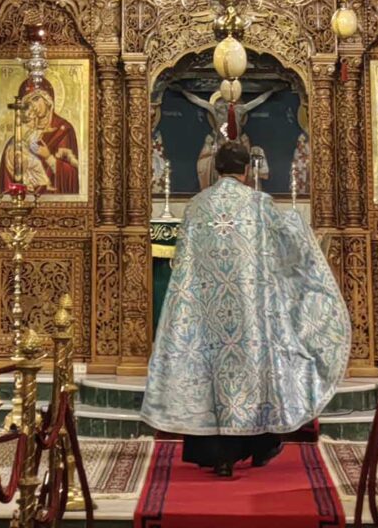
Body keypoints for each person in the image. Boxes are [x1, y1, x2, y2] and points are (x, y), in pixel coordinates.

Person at [143, 139, 350, 477]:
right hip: (250, 314)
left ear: (216, 168)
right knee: (250, 374)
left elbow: (183, 260)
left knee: (210, 374)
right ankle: (257, 446)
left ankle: (217, 457)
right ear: (245, 170)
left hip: (206, 312)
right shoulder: (259, 204)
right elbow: (287, 247)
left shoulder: (196, 206)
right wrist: (304, 229)